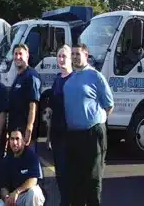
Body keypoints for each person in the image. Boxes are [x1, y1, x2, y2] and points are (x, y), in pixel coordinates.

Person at [63, 43, 113, 206]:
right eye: (73, 54)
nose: (75, 57)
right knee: (76, 180)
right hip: (74, 135)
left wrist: (96, 122)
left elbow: (109, 105)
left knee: (93, 179)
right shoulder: (70, 78)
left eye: (78, 54)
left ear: (86, 55)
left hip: (92, 134)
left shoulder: (95, 76)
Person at [48, 45, 73, 206]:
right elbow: (51, 110)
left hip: (71, 134)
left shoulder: (74, 79)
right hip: (57, 133)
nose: (61, 59)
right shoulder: (57, 80)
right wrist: (48, 136)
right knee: (59, 172)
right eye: (59, 56)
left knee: (68, 172)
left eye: (64, 56)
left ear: (71, 59)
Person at [0, 129, 45, 206]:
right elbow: (3, 187)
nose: (14, 142)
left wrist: (17, 192)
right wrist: (6, 198)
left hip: (27, 195)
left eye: (17, 139)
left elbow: (33, 180)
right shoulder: (6, 160)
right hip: (13, 197)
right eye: (12, 139)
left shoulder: (32, 156)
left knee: (34, 192)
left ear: (23, 141)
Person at [8, 44, 41, 147]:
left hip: (24, 133)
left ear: (27, 56)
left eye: (20, 54)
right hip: (16, 131)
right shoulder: (19, 76)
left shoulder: (31, 76)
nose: (17, 57)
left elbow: (33, 106)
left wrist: (29, 129)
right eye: (15, 54)